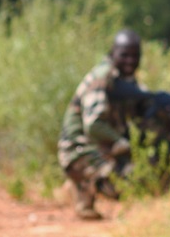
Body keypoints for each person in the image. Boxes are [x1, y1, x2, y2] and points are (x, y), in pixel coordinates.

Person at [58, 30, 159, 220]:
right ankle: (81, 183)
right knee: (126, 183)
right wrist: (120, 141)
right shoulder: (102, 78)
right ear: (113, 53)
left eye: (135, 55)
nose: (130, 60)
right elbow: (93, 125)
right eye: (124, 54)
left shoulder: (126, 81)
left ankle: (82, 185)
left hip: (104, 148)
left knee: (150, 172)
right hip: (78, 150)